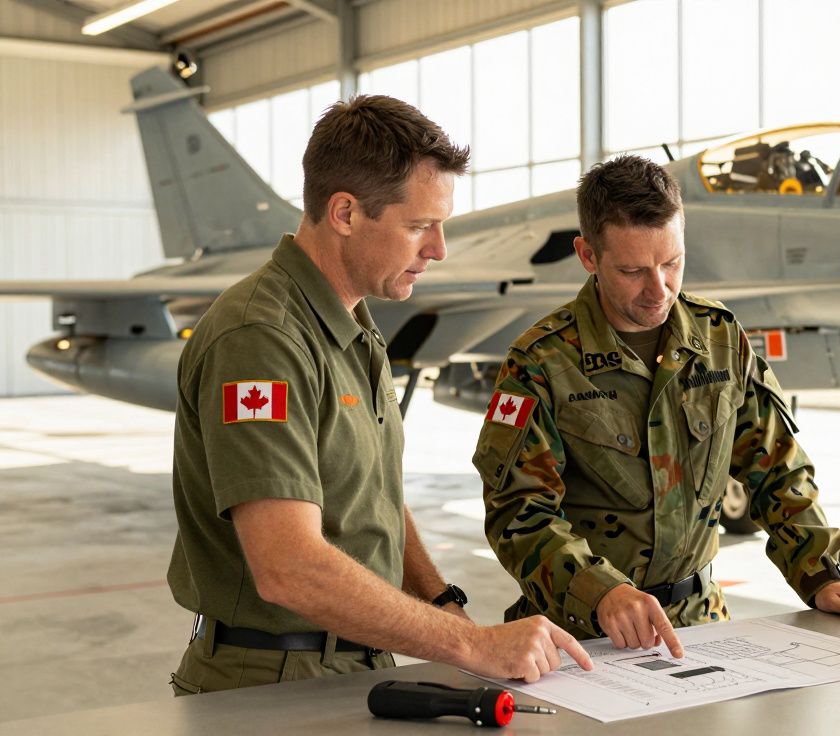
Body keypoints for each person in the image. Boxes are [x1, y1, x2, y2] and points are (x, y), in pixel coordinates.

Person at [167, 95, 590, 695]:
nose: (439, 249)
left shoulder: (353, 325)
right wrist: (470, 646)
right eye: (419, 226)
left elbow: (373, 497)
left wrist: (443, 605)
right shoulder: (263, 338)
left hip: (349, 663)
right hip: (269, 684)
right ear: (344, 212)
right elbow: (288, 568)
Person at [475, 155, 840, 656]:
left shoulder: (720, 337)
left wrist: (820, 575)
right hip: (579, 639)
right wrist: (602, 593)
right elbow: (519, 514)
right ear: (588, 255)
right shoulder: (541, 363)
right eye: (633, 270)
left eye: (672, 263)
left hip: (703, 626)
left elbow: (777, 469)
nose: (658, 289)